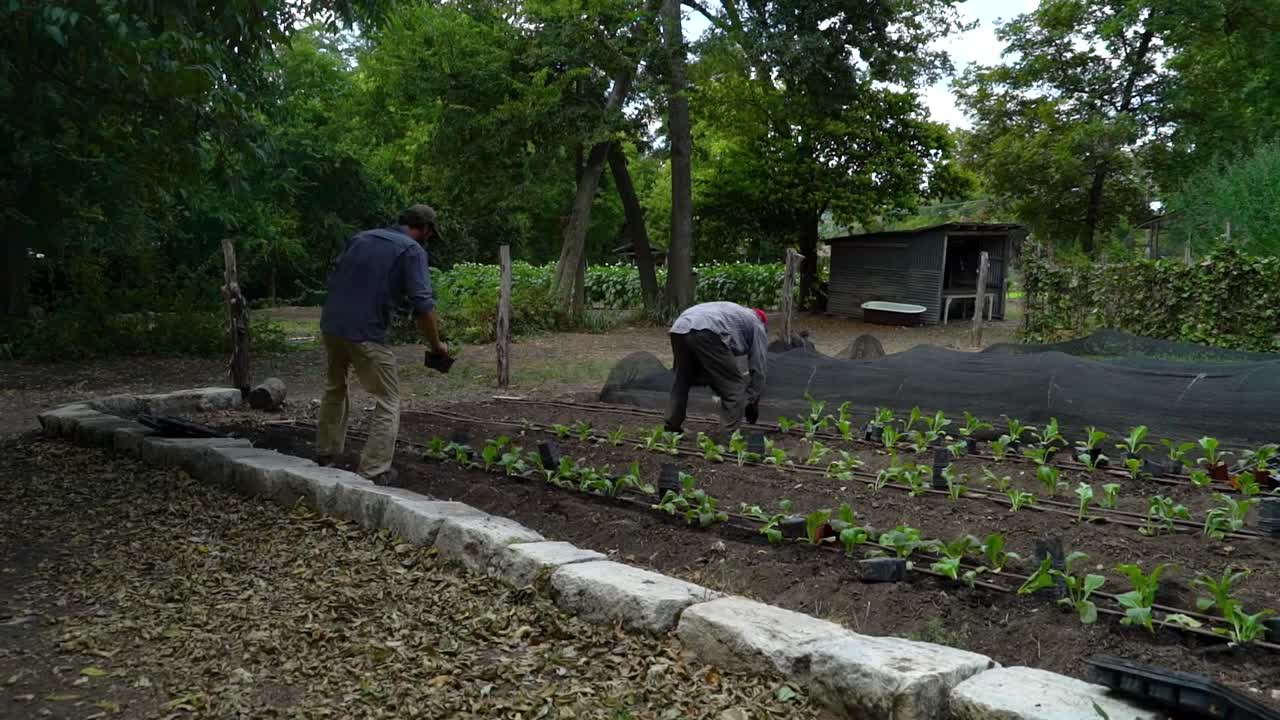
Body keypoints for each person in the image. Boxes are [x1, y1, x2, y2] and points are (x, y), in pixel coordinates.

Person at [316, 204, 448, 485]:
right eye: (430, 234)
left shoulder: (361, 238)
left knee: (335, 386)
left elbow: (338, 277)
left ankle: (326, 453)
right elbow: (423, 306)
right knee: (388, 398)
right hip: (366, 331)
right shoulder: (412, 250)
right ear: (425, 229)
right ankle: (374, 471)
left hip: (332, 325)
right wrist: (437, 346)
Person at [665, 301, 768, 437]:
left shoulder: (735, 312)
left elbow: (714, 368)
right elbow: (759, 366)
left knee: (682, 380)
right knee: (735, 388)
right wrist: (753, 399)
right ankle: (727, 437)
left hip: (679, 327)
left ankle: (671, 428)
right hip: (708, 330)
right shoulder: (757, 324)